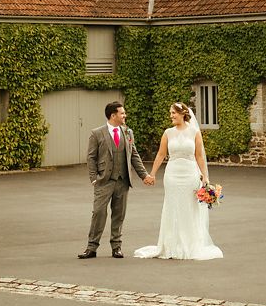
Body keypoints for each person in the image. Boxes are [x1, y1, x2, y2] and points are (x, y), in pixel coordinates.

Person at [133, 101, 223, 260]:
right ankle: (171, 245)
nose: (171, 116)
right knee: (172, 207)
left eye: (173, 113)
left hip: (190, 174)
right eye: (170, 113)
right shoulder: (168, 132)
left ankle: (190, 244)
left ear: (182, 113)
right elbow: (161, 155)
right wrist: (152, 174)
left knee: (189, 208)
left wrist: (205, 176)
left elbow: (199, 156)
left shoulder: (194, 132)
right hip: (172, 174)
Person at [79, 101, 153, 259]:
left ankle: (116, 247)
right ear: (113, 115)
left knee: (119, 215)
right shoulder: (97, 133)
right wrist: (94, 178)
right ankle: (91, 248)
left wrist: (144, 175)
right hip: (104, 180)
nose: (125, 115)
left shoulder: (128, 132)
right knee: (98, 213)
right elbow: (91, 157)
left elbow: (134, 155)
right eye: (122, 113)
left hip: (123, 180)